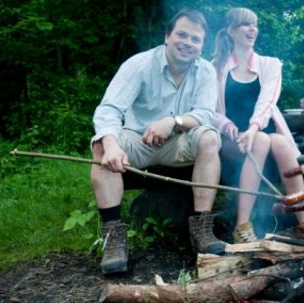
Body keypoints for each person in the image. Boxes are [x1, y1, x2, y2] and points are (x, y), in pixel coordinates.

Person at [90, 9, 226, 274]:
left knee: (209, 137)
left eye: (195, 39)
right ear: (167, 36)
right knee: (101, 144)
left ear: (201, 45)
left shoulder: (206, 71)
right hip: (136, 142)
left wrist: (173, 121)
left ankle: (202, 230)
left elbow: (206, 114)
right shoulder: (138, 65)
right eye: (182, 35)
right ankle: (113, 239)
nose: (188, 43)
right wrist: (112, 144)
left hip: (178, 143)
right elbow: (109, 110)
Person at [212, 7, 304, 243]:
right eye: (245, 25)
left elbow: (267, 101)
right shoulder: (216, 67)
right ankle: (242, 226)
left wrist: (254, 128)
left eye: (255, 25)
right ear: (230, 31)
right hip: (232, 139)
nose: (252, 29)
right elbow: (212, 111)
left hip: (260, 130)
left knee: (280, 144)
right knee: (260, 140)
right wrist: (229, 127)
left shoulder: (270, 64)